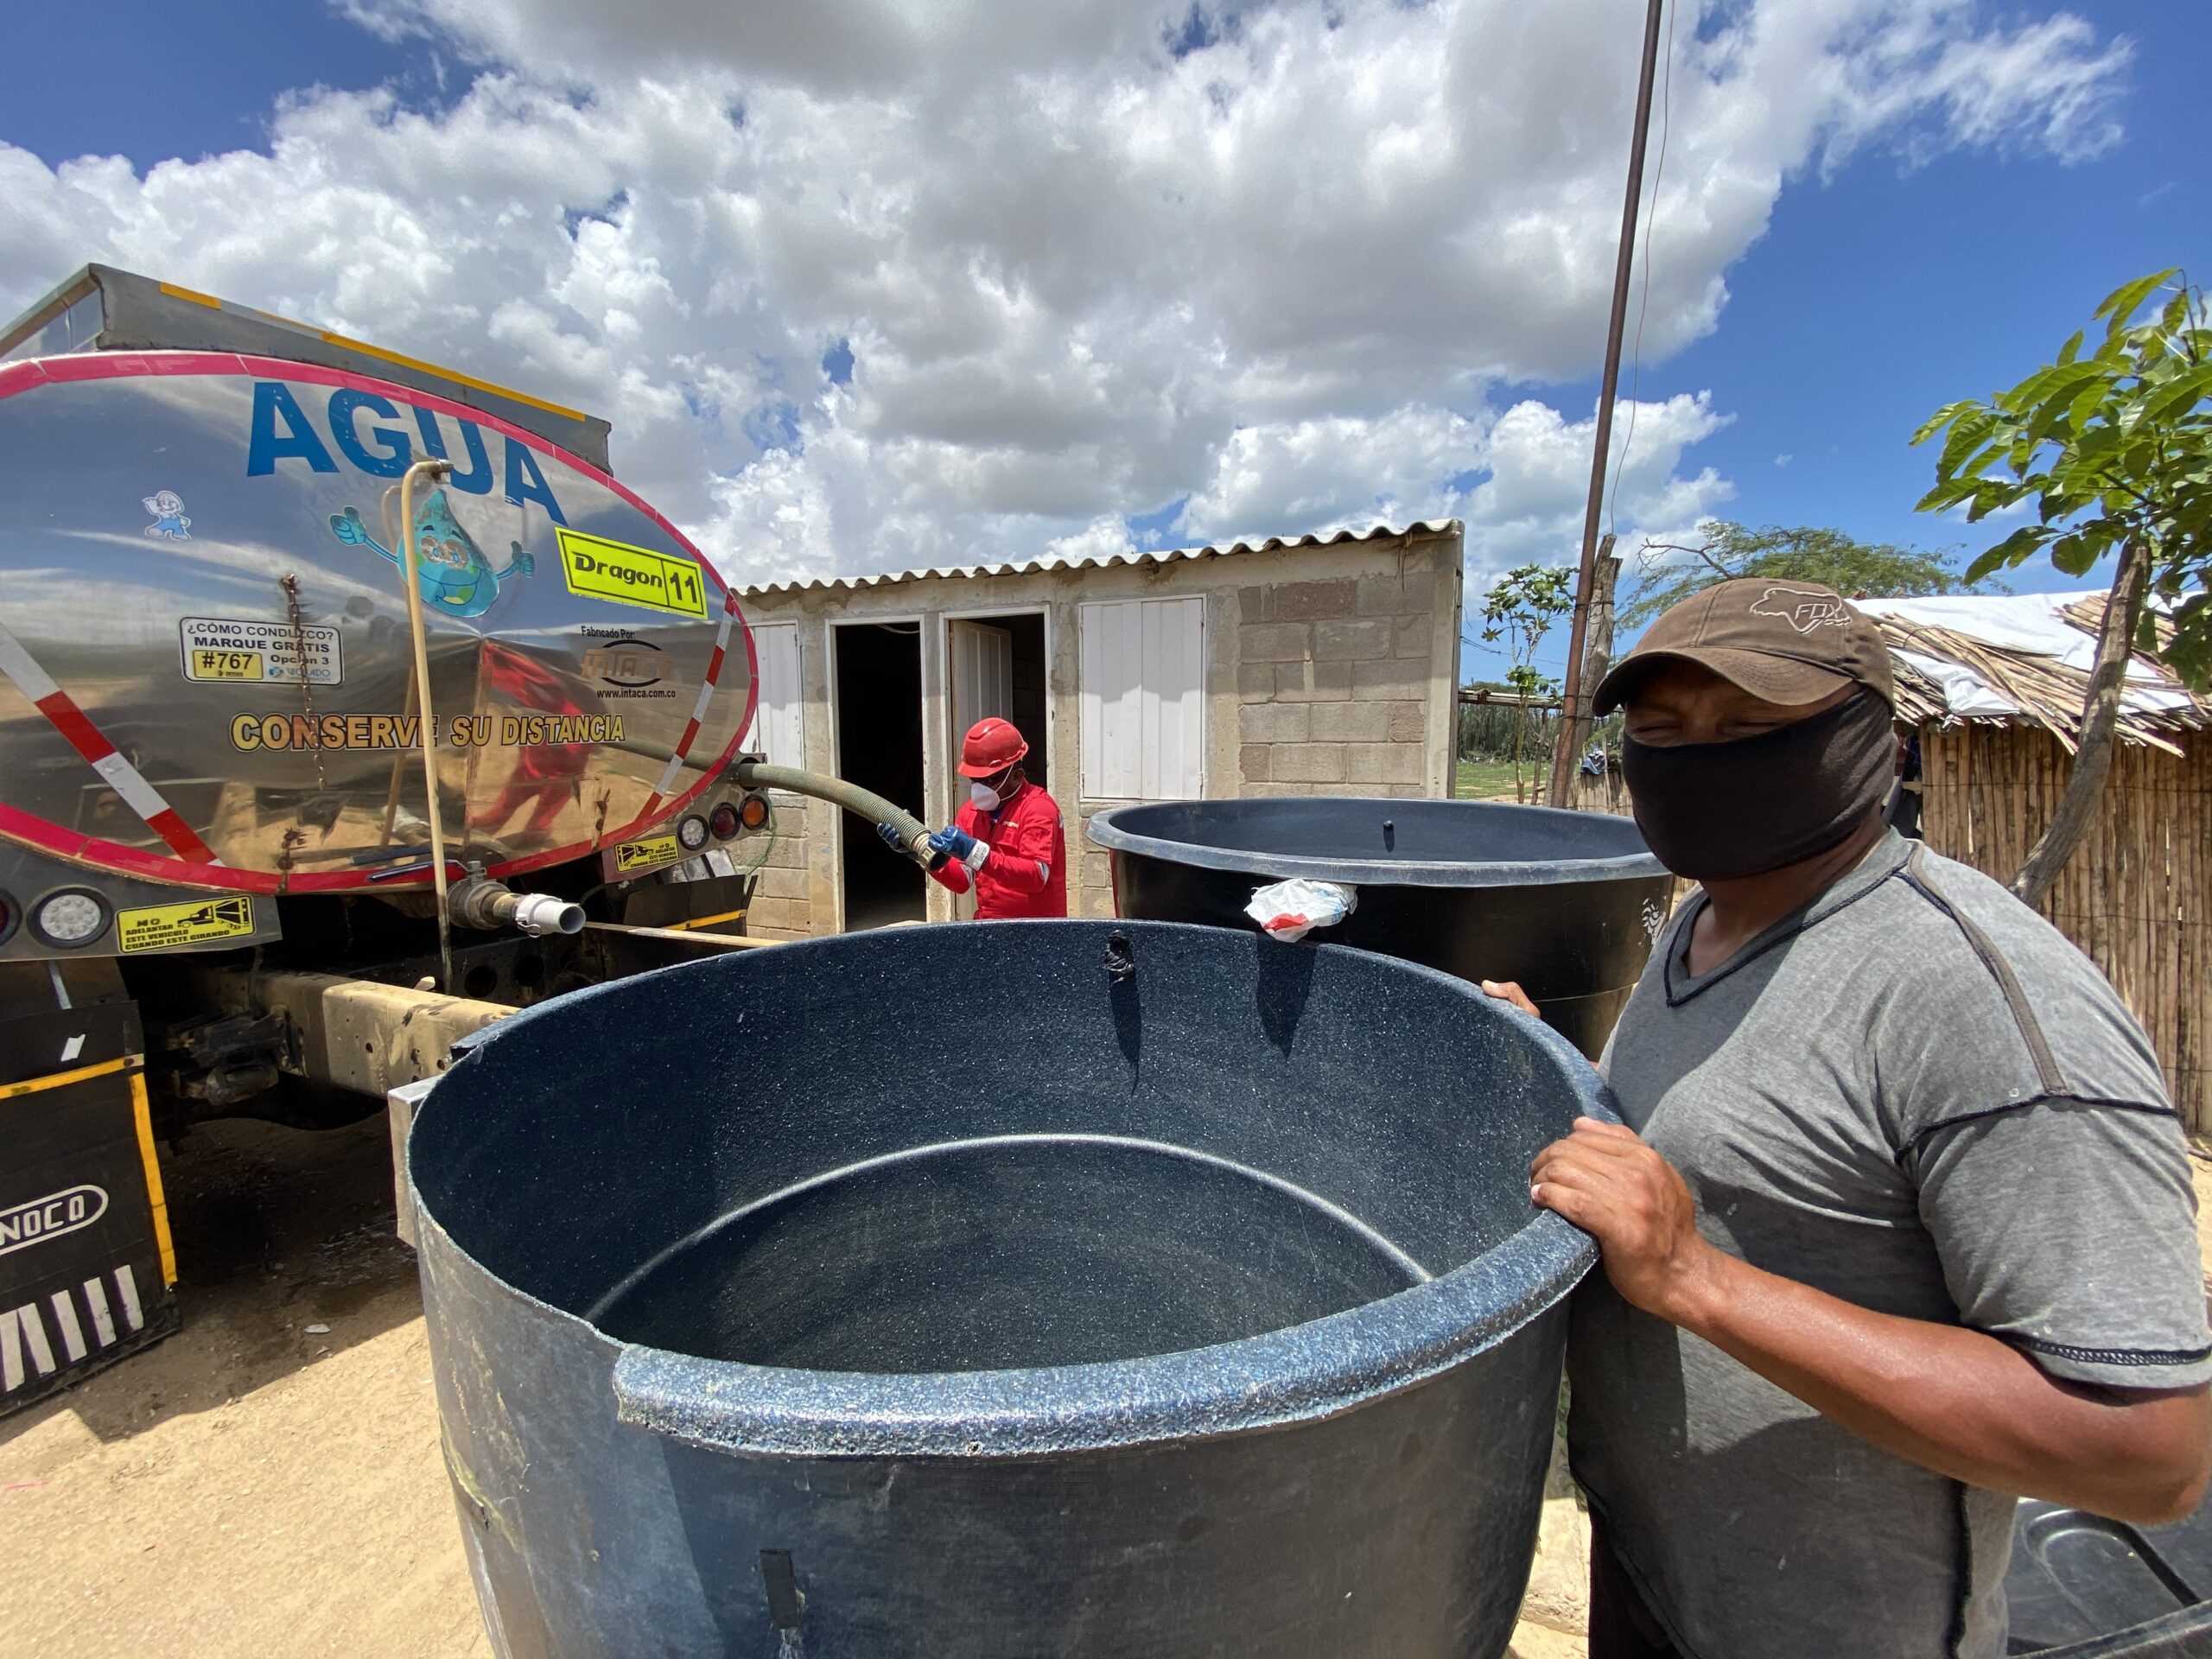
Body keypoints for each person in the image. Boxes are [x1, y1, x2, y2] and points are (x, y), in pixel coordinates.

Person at [1484, 578, 2210, 1659]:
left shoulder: (1977, 1004)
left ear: (1881, 745)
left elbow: (2145, 1454)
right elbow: (1722, 1145)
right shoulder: (1702, 927)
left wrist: (1698, 1280)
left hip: (1835, 1622)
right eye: (1660, 730)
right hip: (1659, 1569)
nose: (1697, 757)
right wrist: (1555, 1067)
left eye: (1749, 729)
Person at [880, 716, 1067, 919]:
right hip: (990, 925)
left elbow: (1037, 877)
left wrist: (976, 853)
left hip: (1040, 930)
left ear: (1017, 776)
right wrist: (920, 853)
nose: (979, 788)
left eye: (989, 780)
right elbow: (962, 880)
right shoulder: (971, 812)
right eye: (975, 780)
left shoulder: (1038, 809)